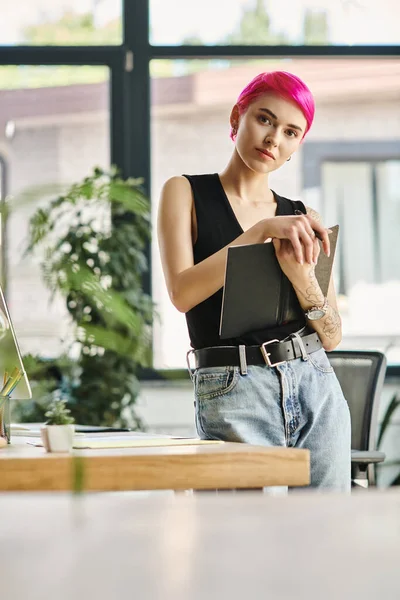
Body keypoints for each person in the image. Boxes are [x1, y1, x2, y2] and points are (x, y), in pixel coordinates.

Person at [157, 70, 351, 492]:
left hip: (315, 383)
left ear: (296, 146)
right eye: (264, 120)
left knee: (328, 541)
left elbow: (332, 335)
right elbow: (181, 293)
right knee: (240, 544)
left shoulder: (303, 218)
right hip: (233, 386)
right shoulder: (185, 193)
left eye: (290, 132)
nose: (273, 139)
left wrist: (304, 281)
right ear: (236, 117)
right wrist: (260, 231)